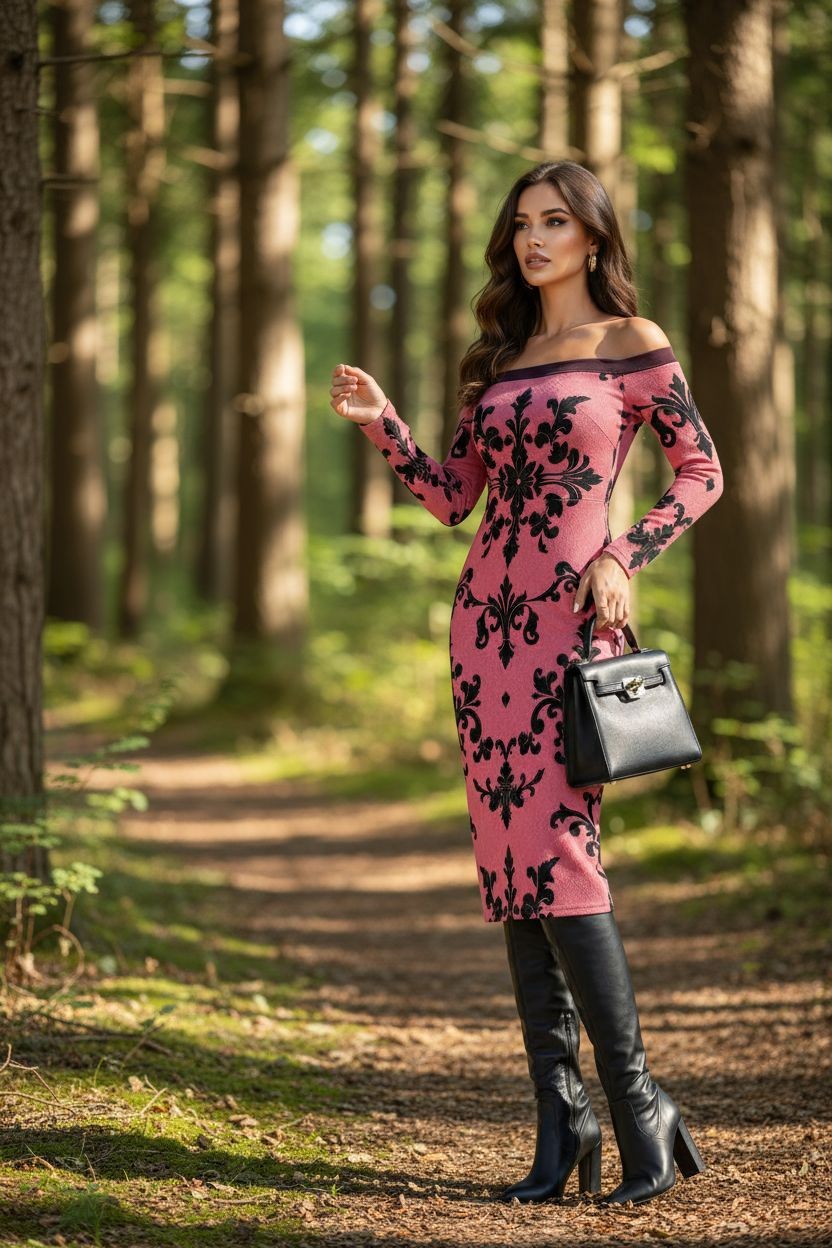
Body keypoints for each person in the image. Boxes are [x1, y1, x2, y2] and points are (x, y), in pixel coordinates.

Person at [329, 159, 723, 1207]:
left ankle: (640, 1108)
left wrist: (623, 554)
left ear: (593, 238)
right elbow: (452, 497)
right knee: (512, 873)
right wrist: (384, 425)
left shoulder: (631, 349)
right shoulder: (495, 358)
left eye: (555, 221)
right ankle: (562, 1124)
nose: (533, 239)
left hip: (568, 624)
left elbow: (702, 473)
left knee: (564, 861)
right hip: (483, 633)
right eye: (521, 224)